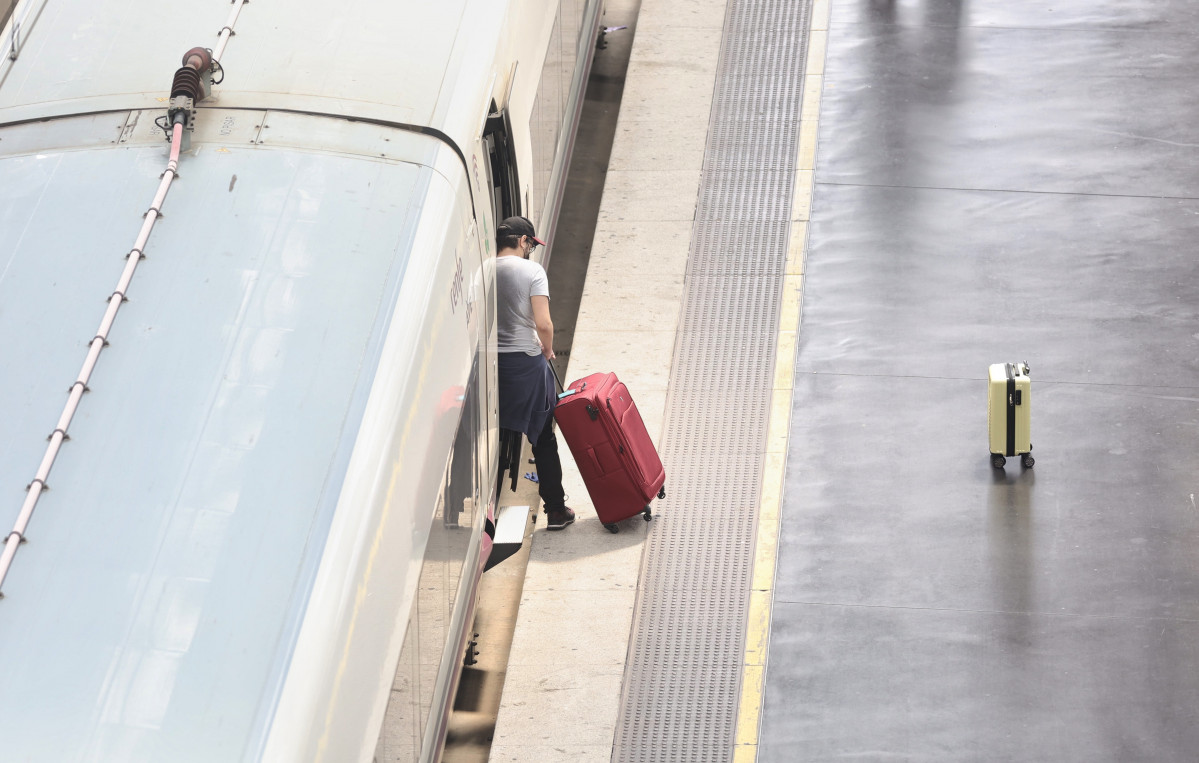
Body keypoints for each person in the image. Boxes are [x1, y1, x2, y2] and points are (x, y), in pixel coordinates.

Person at [494, 216, 575, 530]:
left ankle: (454, 506)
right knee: (543, 438)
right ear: (523, 241)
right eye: (530, 245)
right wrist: (548, 347)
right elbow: (543, 324)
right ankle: (555, 510)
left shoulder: (481, 272)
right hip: (526, 364)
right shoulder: (532, 271)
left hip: (489, 365)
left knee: (475, 432)